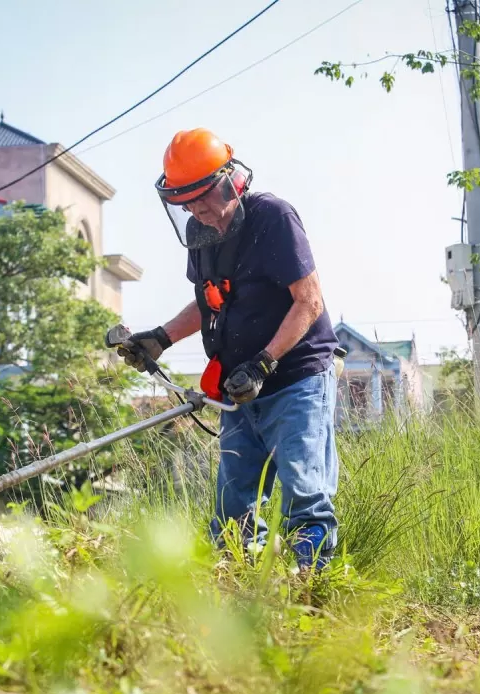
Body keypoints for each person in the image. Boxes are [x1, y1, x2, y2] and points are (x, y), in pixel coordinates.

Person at [115, 128, 340, 570]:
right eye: (187, 203)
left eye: (203, 197)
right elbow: (212, 299)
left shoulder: (273, 218)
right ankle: (235, 595)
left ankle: (312, 591)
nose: (198, 210)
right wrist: (161, 338)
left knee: (304, 492)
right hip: (241, 388)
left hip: (296, 379)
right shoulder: (202, 234)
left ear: (230, 182)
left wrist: (264, 362)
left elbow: (309, 301)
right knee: (233, 509)